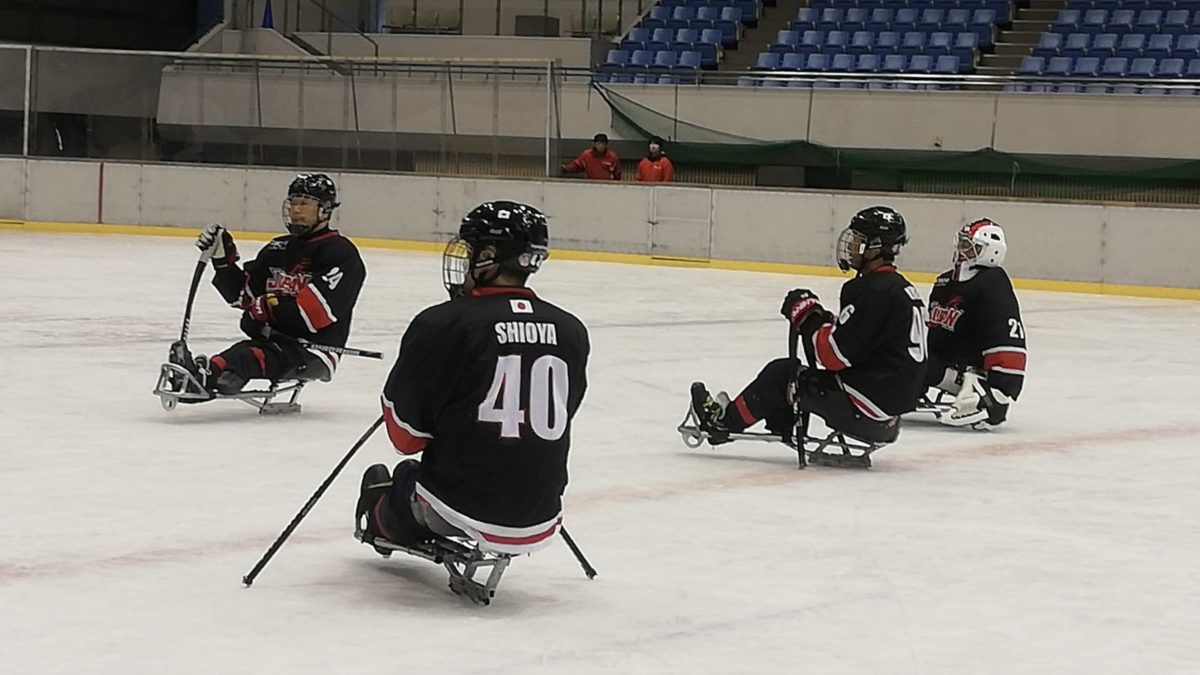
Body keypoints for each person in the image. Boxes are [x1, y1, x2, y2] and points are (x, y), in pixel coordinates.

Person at [356, 201, 590, 556]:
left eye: (471, 251)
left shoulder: (442, 324)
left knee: (395, 482)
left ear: (489, 255)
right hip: (543, 515)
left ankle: (384, 521)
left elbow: (406, 439)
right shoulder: (572, 330)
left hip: (457, 509)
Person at [690, 206, 928, 446]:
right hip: (888, 416)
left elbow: (832, 356)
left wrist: (807, 316)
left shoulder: (873, 290)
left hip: (866, 410)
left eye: (859, 240)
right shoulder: (901, 289)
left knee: (782, 373)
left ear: (875, 246)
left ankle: (721, 424)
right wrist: (821, 318)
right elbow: (862, 338)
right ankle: (780, 422)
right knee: (798, 375)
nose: (852, 246)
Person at [183, 173, 366, 397]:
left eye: (305, 203)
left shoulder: (341, 254)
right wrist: (222, 261)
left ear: (324, 210)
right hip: (273, 342)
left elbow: (310, 316)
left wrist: (266, 309)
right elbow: (242, 296)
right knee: (236, 355)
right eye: (293, 203)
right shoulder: (278, 247)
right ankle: (208, 375)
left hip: (313, 350)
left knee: (246, 356)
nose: (296, 210)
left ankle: (204, 379)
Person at [923, 218, 1026, 428]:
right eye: (962, 244)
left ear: (992, 252)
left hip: (967, 372)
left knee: (913, 363)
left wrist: (998, 390)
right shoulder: (945, 282)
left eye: (971, 246)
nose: (962, 250)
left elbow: (1005, 337)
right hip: (941, 362)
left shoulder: (991, 284)